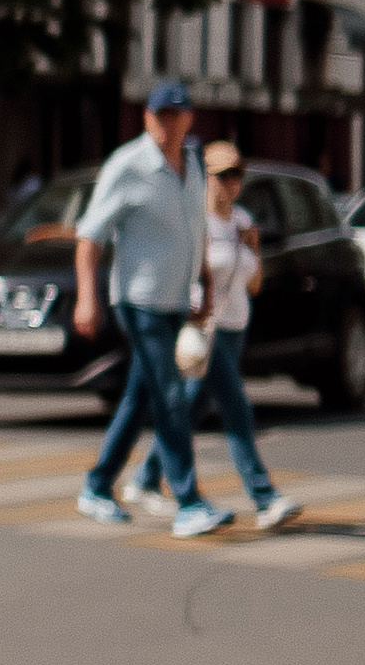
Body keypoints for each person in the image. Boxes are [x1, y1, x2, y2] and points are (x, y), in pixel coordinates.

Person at [72, 79, 230, 538]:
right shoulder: (128, 165)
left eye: (175, 115)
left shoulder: (193, 165)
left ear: (188, 119)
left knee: (140, 398)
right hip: (138, 301)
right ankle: (189, 501)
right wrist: (87, 296)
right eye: (159, 116)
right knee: (169, 395)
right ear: (146, 118)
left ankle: (97, 485)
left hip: (175, 301)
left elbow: (195, 228)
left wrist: (204, 282)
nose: (167, 124)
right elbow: (89, 237)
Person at [128, 138, 299, 531]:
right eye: (223, 176)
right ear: (206, 178)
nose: (231, 183)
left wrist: (253, 250)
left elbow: (254, 285)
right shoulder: (197, 223)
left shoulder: (242, 222)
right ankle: (264, 497)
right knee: (238, 410)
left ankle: (146, 478)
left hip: (235, 327)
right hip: (206, 330)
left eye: (237, 175)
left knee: (188, 409)